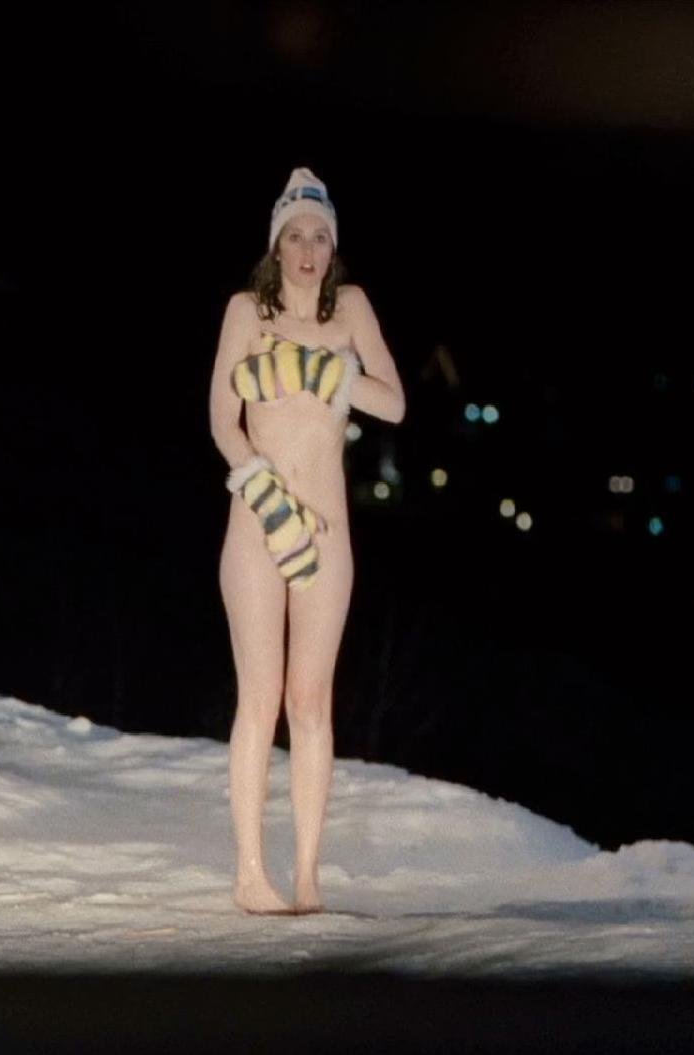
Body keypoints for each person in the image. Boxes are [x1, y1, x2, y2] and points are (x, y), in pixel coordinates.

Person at [210, 167, 406, 915]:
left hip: (327, 529)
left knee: (311, 699)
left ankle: (307, 876)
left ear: (333, 248)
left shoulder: (349, 308)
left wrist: (324, 373)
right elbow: (221, 419)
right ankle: (249, 874)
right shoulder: (245, 311)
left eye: (320, 237)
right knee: (259, 696)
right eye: (295, 235)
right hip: (258, 522)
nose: (307, 250)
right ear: (275, 244)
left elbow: (392, 402)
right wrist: (265, 494)